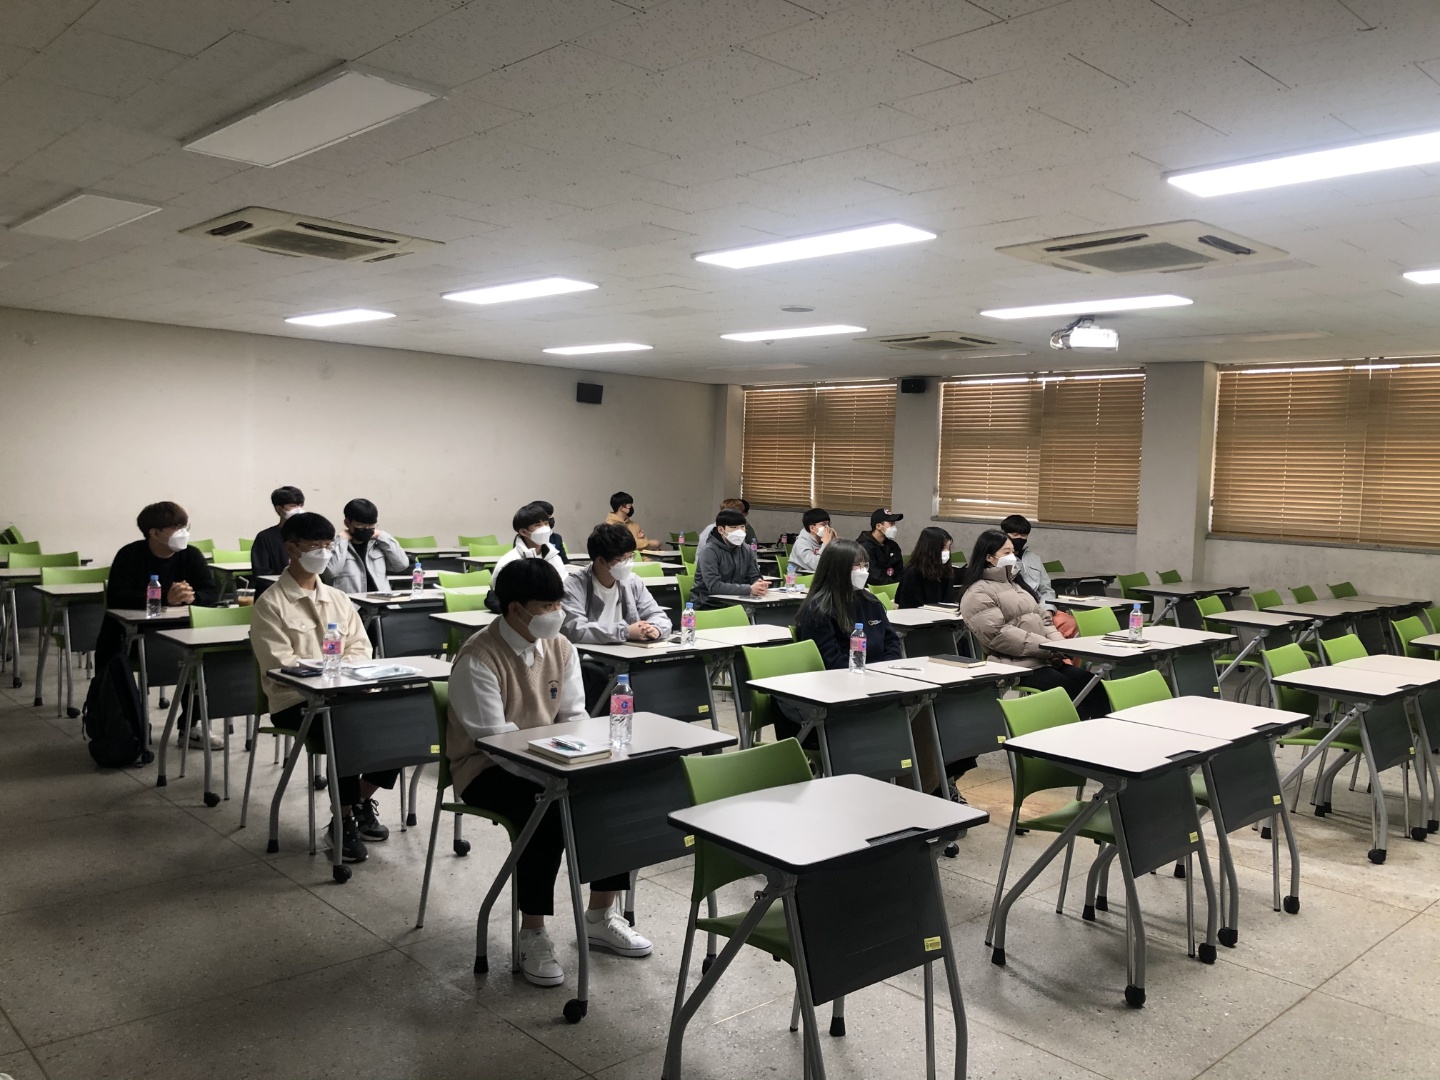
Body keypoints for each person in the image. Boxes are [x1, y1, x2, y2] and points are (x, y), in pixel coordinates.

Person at [447, 559, 652, 987]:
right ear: (515, 609)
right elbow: (494, 740)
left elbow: (573, 715)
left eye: (559, 604)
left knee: (608, 796)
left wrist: (582, 764)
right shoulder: (478, 657)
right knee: (546, 813)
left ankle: (600, 916)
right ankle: (533, 932)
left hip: (551, 758)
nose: (557, 614)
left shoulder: (560, 646)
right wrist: (554, 777)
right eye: (547, 606)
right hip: (486, 766)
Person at [251, 512, 396, 862]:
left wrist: (345, 674)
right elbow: (280, 665)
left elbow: (360, 647)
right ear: (292, 549)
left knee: (398, 721)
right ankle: (342, 823)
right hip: (294, 701)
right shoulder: (270, 604)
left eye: (328, 546)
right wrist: (330, 676)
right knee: (344, 728)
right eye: (315, 546)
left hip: (343, 693)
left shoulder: (338, 598)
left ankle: (358, 801)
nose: (324, 553)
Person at [94, 502, 220, 746]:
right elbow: (118, 597)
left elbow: (211, 592)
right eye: (176, 528)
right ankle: (129, 727)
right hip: (136, 636)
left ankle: (191, 727)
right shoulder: (129, 555)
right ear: (154, 532)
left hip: (183, 633)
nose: (183, 533)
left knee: (205, 659)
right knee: (116, 657)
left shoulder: (191, 555)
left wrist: (192, 597)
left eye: (185, 526)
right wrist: (164, 599)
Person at [958, 529, 1103, 717]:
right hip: (1014, 664)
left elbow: (1044, 620)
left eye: (1013, 552)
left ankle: (1101, 729)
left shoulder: (1016, 585)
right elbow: (998, 634)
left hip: (1044, 659)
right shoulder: (977, 593)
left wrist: (1060, 645)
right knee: (1067, 691)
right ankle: (1076, 730)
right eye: (1006, 552)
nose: (1012, 556)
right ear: (989, 557)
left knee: (1092, 683)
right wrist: (1046, 647)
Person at [562, 523, 674, 707]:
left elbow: (659, 615)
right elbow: (576, 629)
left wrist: (654, 629)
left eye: (631, 556)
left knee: (662, 677)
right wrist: (626, 632)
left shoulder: (632, 581)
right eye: (621, 559)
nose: (628, 563)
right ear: (600, 560)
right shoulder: (574, 586)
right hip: (590, 662)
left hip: (628, 658)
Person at [793, 539, 900, 669]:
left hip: (880, 674)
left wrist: (887, 667)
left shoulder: (871, 602)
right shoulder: (819, 610)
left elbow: (891, 642)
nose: (863, 571)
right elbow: (829, 659)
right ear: (838, 569)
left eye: (865, 565)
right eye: (857, 565)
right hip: (842, 676)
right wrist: (864, 672)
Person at [323, 498, 408, 595]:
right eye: (360, 525)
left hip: (382, 600)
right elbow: (330, 572)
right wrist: (341, 540)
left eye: (371, 525)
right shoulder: (336, 546)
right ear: (347, 523)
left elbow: (401, 565)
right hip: (352, 603)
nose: (366, 528)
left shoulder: (378, 544)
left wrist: (382, 536)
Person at [691, 508, 766, 609]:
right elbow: (714, 586)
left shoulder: (746, 549)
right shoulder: (709, 551)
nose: (739, 531)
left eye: (742, 527)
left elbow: (754, 576)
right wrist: (749, 589)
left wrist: (759, 584)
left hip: (737, 602)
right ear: (721, 530)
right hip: (708, 604)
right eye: (733, 527)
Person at [493, 501, 568, 577]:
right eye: (538, 525)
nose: (544, 528)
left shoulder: (554, 558)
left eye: (546, 523)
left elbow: (563, 582)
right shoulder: (509, 562)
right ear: (523, 532)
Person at [250, 485, 305, 585]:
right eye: (293, 506)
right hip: (276, 588)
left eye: (300, 505)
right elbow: (261, 572)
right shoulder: (265, 537)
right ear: (279, 509)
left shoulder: (309, 535)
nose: (298, 509)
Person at [896, 527, 957, 608]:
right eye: (943, 548)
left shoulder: (946, 570)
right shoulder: (913, 573)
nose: (947, 552)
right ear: (931, 550)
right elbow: (911, 605)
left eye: (948, 548)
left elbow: (948, 600)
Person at [857, 508, 904, 586]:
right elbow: (874, 576)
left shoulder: (893, 546)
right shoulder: (864, 547)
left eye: (894, 523)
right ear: (878, 526)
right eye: (891, 524)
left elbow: (899, 570)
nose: (894, 528)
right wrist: (893, 584)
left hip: (893, 587)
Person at [788, 508, 834, 574]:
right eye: (823, 524)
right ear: (812, 528)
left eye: (828, 524)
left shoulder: (823, 541)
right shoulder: (801, 543)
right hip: (799, 578)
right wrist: (825, 544)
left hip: (816, 577)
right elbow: (817, 566)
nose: (828, 528)